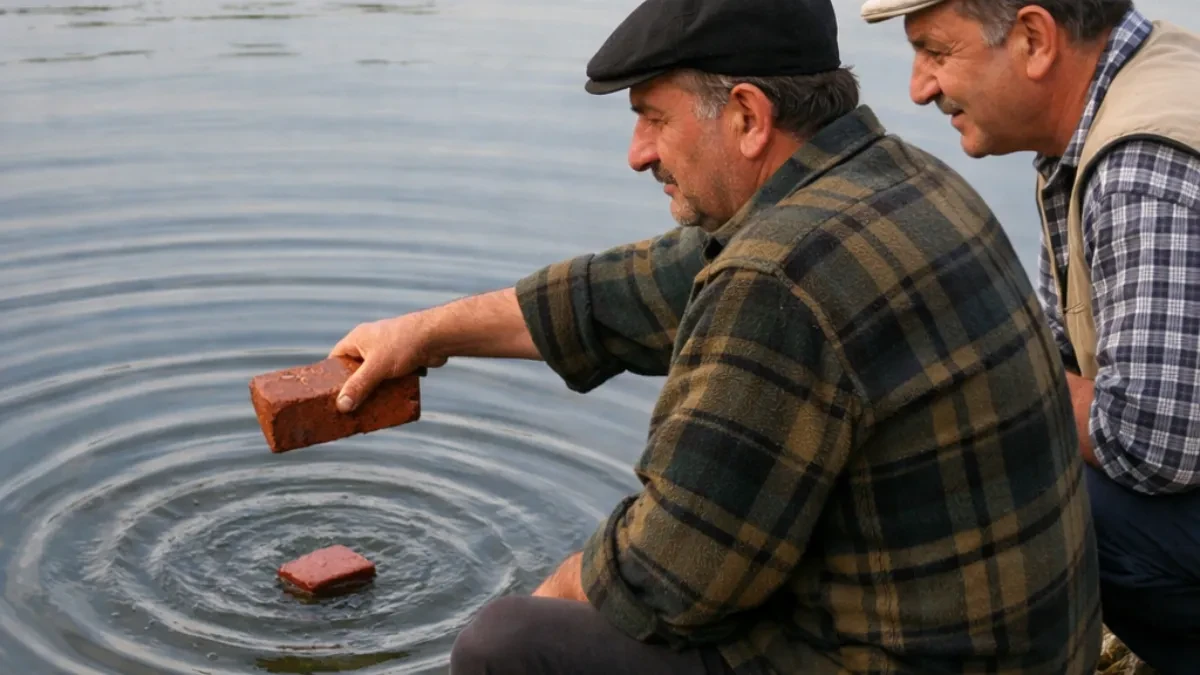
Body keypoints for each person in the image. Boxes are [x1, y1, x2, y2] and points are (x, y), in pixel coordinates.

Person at [330, 0, 1100, 672]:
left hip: (901, 659)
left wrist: (550, 594)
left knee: (508, 645)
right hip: (1019, 646)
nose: (638, 154)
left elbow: (662, 579)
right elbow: (628, 293)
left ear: (747, 115)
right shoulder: (897, 179)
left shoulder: (779, 281)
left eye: (653, 119)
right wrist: (423, 335)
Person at [859, 1, 1200, 672]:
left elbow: (1152, 446)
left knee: (1021, 490)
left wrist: (991, 365)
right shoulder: (1150, 71)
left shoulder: (1139, 166)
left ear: (1035, 39)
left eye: (936, 52)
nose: (919, 87)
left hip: (1168, 457)